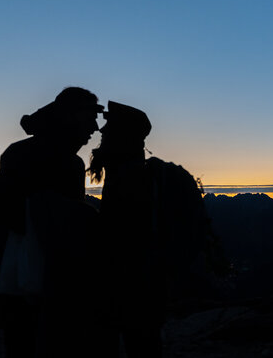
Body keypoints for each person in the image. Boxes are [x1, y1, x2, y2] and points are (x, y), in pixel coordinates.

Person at [90, 101, 205, 358]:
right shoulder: (130, 173)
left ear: (124, 134)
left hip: (133, 283)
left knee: (136, 341)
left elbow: (123, 235)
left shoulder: (129, 178)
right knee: (143, 341)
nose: (102, 131)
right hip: (147, 284)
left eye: (109, 127)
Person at [0, 87, 104, 358]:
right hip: (50, 280)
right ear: (72, 117)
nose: (95, 127)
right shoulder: (67, 162)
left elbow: (4, 215)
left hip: (14, 277)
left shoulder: (19, 152)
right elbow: (65, 228)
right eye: (91, 117)